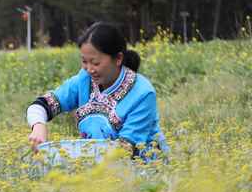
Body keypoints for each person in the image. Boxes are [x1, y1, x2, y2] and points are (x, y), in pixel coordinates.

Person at [26, 21, 167, 158]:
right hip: (96, 164)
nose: (89, 69)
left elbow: (125, 150)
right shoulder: (84, 80)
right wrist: (39, 127)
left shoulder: (142, 93)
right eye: (84, 61)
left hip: (145, 170)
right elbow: (41, 105)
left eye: (96, 63)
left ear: (118, 58)